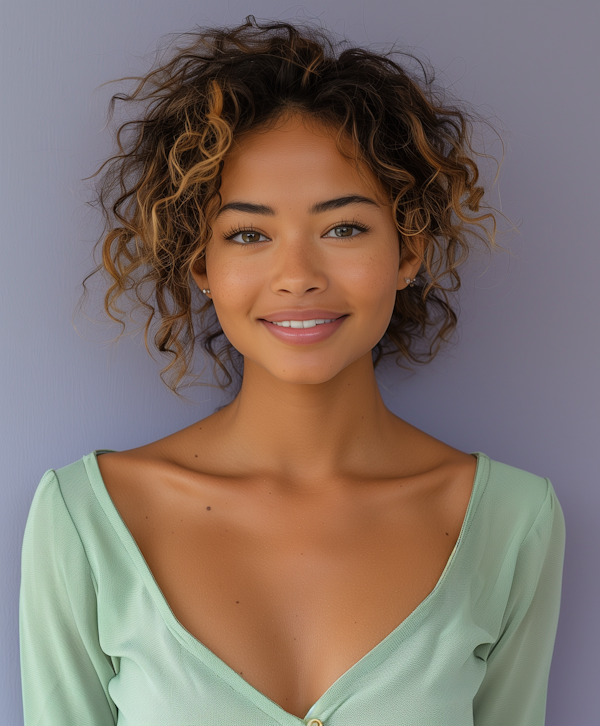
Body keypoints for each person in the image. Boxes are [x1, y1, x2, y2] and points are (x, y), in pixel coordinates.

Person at [19, 16, 565, 726]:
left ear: (407, 252)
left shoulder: (512, 523)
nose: (297, 276)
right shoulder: (85, 520)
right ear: (201, 265)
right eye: (248, 233)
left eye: (343, 228)